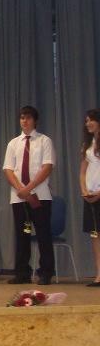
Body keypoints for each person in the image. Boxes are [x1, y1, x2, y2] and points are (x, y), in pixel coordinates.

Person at [3, 105, 55, 285]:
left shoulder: (44, 141)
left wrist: (30, 188)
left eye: (28, 118)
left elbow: (47, 167)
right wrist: (21, 189)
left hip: (40, 195)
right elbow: (8, 169)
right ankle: (22, 272)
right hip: (19, 196)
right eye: (22, 118)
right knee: (22, 235)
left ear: (35, 121)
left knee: (43, 234)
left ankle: (46, 272)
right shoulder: (13, 143)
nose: (24, 121)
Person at [80, 108, 100, 287]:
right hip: (90, 196)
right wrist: (84, 190)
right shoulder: (88, 144)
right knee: (95, 236)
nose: (87, 124)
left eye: (90, 120)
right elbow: (83, 171)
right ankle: (99, 274)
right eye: (86, 121)